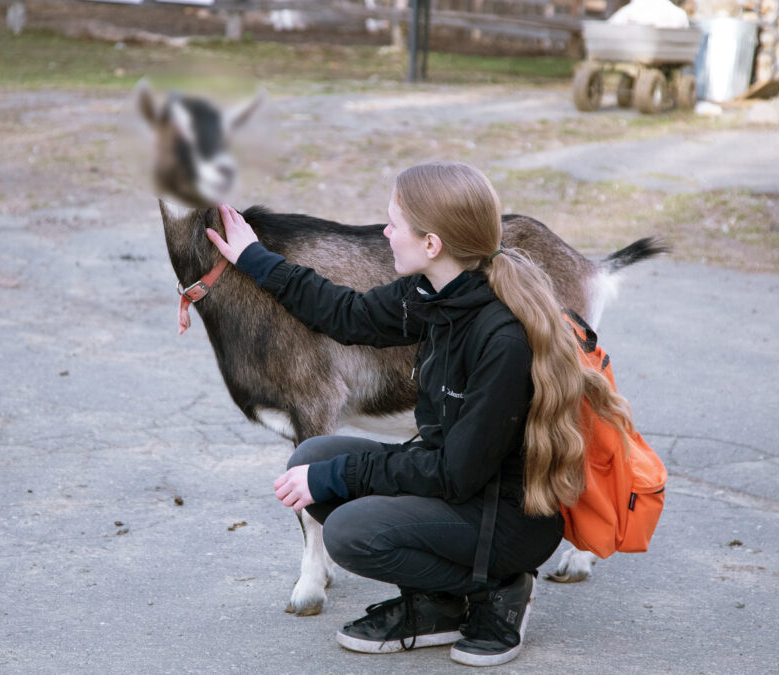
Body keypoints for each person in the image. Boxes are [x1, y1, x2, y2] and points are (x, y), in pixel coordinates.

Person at [206, 161, 633, 667]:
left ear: (432, 245)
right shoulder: (434, 295)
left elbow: (454, 473)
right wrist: (256, 260)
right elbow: (345, 314)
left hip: (510, 518)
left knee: (349, 529)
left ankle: (498, 591)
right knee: (313, 452)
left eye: (394, 224)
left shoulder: (501, 339)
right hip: (462, 490)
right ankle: (440, 602)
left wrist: (341, 475)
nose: (384, 233)